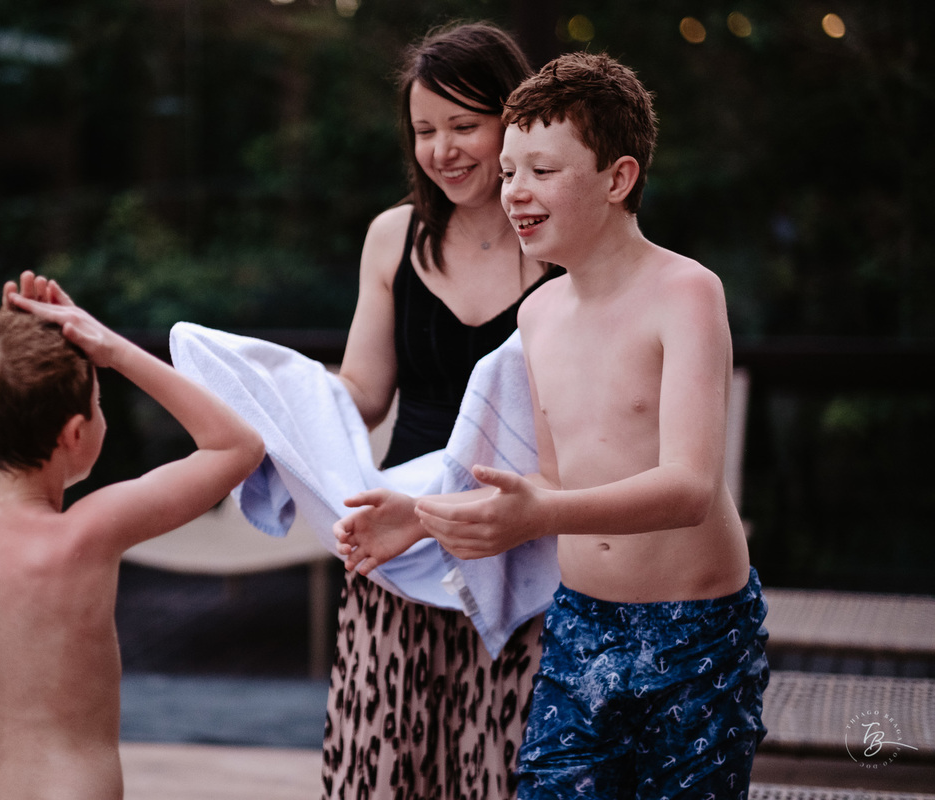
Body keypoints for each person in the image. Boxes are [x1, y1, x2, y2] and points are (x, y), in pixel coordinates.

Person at [336, 52, 769, 798]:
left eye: (540, 171)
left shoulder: (687, 292)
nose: (513, 193)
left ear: (618, 178)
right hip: (578, 628)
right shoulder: (538, 314)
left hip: (694, 631)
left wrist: (543, 513)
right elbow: (551, 481)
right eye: (509, 173)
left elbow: (690, 487)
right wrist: (422, 514)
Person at [325, 21, 564, 800]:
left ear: (515, 121)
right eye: (426, 130)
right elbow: (362, 393)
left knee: (502, 774)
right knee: (382, 776)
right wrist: (271, 406)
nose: (443, 150)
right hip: (399, 547)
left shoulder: (565, 242)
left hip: (520, 552)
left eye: (465, 125)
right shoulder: (394, 235)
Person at [0, 277, 264, 800]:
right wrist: (112, 347)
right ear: (75, 434)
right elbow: (236, 446)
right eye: (99, 402)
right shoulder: (83, 535)